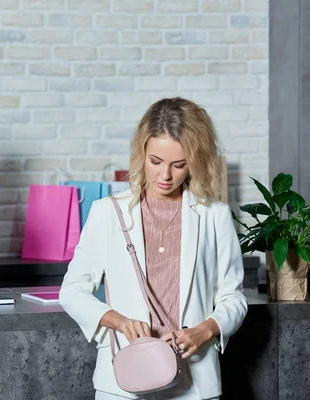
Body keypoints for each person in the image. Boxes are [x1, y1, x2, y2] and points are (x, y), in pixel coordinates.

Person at [59, 97, 248, 399]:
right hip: (124, 379)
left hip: (196, 382)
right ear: (141, 153)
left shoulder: (215, 215)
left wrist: (205, 330)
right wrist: (119, 321)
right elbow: (71, 291)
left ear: (195, 161)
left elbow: (233, 297)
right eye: (155, 162)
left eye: (179, 165)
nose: (165, 176)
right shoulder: (108, 212)